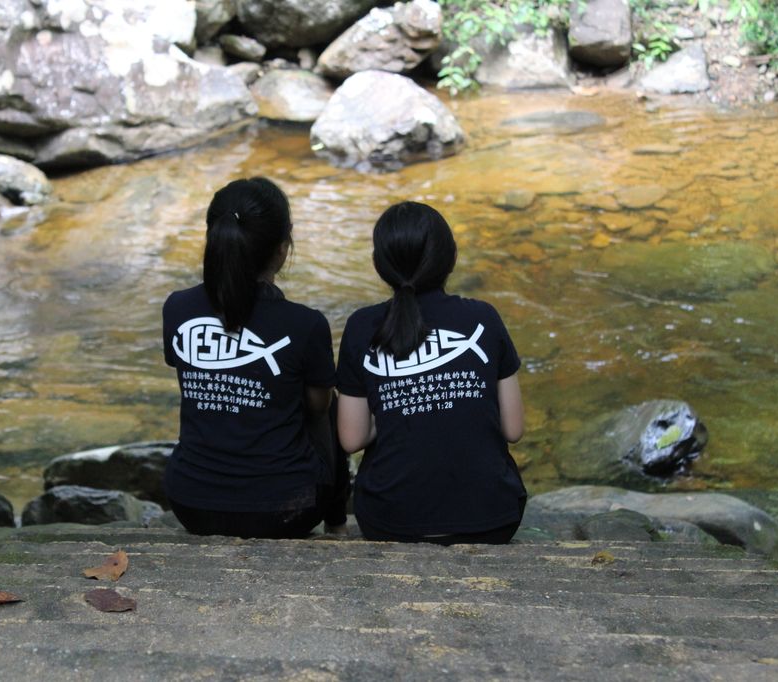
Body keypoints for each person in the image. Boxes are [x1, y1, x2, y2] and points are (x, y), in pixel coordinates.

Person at [162, 177, 348, 539]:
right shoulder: (305, 324)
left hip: (191, 504)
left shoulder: (178, 308)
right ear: (282, 248)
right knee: (330, 401)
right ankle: (337, 524)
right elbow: (318, 405)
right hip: (287, 510)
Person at [336, 201, 526, 545]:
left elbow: (351, 439)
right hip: (491, 520)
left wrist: (393, 408)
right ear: (451, 257)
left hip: (390, 524)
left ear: (380, 265)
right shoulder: (482, 318)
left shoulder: (361, 326)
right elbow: (513, 429)